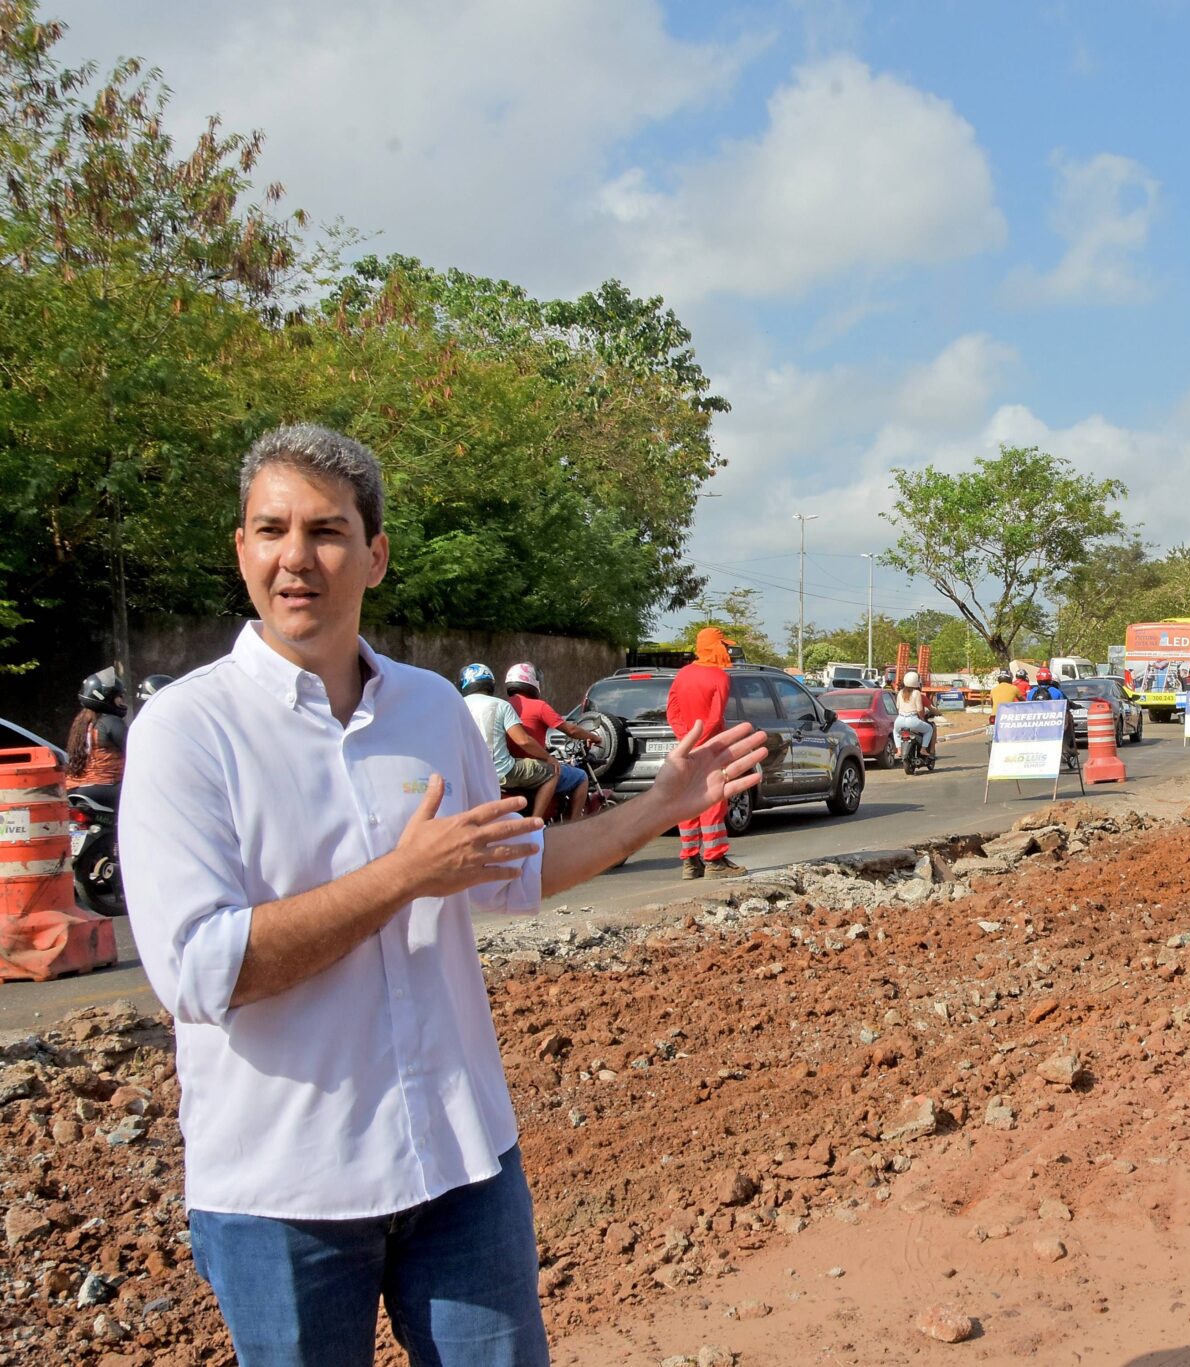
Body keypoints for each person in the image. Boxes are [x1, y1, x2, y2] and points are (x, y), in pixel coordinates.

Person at [118, 423, 766, 1366]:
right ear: (241, 548)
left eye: (328, 531)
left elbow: (513, 870)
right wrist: (401, 877)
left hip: (462, 1164)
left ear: (374, 555)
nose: (296, 557)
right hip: (284, 1196)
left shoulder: (430, 708)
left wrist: (660, 807)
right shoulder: (187, 732)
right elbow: (200, 972)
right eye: (271, 529)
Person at [667, 627, 747, 879]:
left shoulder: (683, 674)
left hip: (684, 748)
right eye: (723, 645)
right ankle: (714, 860)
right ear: (716, 647)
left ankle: (691, 861)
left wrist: (686, 741)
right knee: (713, 800)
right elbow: (714, 718)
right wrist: (701, 744)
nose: (727, 650)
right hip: (710, 749)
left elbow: (672, 712)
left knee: (689, 801)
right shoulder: (720, 678)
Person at [459, 663, 559, 822]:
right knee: (552, 771)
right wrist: (548, 758)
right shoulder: (500, 705)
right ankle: (534, 823)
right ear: (490, 684)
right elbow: (523, 740)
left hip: (468, 774)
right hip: (502, 772)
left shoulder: (458, 706)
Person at [503, 662, 600, 821]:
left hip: (510, 767)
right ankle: (572, 826)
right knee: (580, 776)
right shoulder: (539, 706)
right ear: (532, 682)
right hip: (535, 768)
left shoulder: (503, 705)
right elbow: (571, 730)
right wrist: (594, 737)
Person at [63, 666, 128, 802]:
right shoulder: (111, 722)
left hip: (73, 788)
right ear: (106, 698)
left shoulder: (80, 722)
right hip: (105, 786)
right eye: (119, 696)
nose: (122, 701)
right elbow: (135, 752)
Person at [894, 669, 937, 761]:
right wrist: (921, 718)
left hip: (899, 720)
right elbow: (920, 709)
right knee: (929, 729)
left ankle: (899, 750)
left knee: (895, 731)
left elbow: (898, 707)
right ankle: (923, 749)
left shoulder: (900, 692)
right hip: (913, 720)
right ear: (917, 682)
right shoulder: (916, 693)